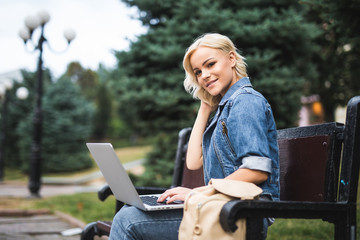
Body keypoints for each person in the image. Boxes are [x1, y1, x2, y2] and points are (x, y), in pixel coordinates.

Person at [109, 33, 280, 240]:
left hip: (243, 212)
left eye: (210, 65)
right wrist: (205, 106)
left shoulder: (245, 102)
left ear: (232, 59)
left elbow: (256, 170)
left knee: (128, 220)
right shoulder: (225, 108)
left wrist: (196, 193)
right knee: (130, 215)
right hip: (222, 205)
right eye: (198, 72)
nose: (204, 76)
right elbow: (192, 162)